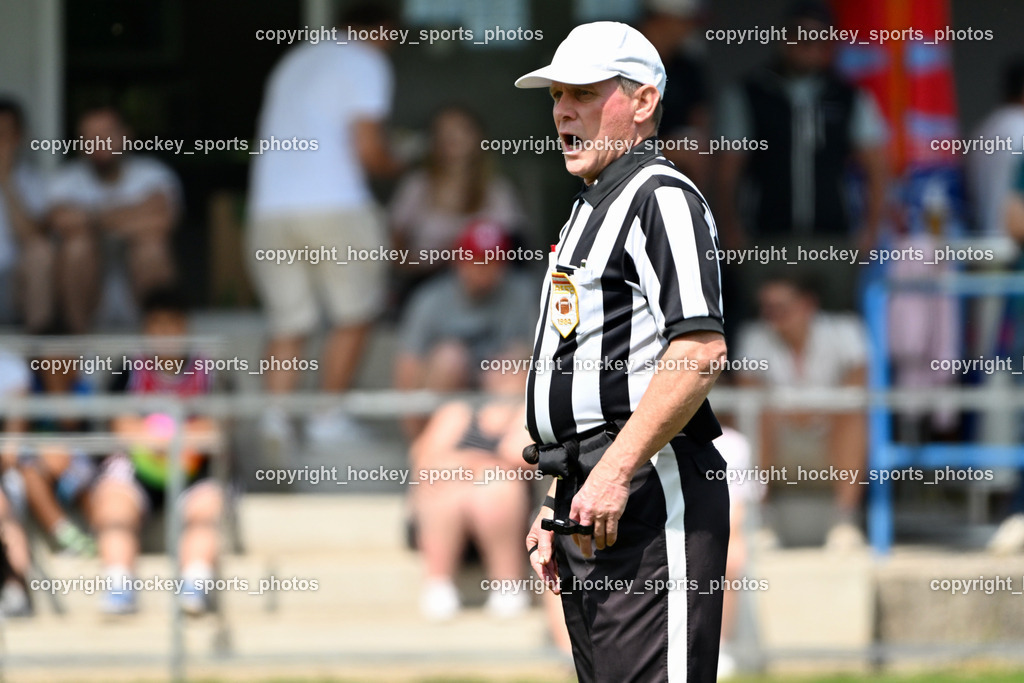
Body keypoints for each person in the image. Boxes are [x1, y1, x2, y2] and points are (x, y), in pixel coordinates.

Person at [515, 22, 730, 681]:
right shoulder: (588, 206)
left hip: (647, 491)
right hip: (593, 498)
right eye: (556, 95)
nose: (562, 110)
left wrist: (611, 471)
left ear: (642, 101)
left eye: (583, 92)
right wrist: (562, 497)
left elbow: (698, 349)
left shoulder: (660, 196)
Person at [247, 3, 405, 446]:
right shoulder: (365, 60)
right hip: (335, 204)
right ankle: (327, 418)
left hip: (270, 209)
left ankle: (274, 421)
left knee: (288, 322)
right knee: (355, 313)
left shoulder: (296, 59)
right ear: (382, 28)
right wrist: (405, 162)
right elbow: (369, 151)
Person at [715, 0, 887, 317]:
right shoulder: (750, 93)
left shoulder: (850, 97)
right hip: (767, 239)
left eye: (818, 38)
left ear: (830, 45)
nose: (808, 46)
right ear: (783, 39)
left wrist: (870, 230)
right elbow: (728, 171)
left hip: (833, 239)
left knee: (838, 334)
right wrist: (730, 230)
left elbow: (876, 168)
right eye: (800, 36)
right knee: (765, 336)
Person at [89, 287, 223, 615]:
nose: (165, 334)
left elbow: (217, 429)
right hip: (136, 470)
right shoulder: (127, 369)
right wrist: (165, 435)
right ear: (146, 329)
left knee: (208, 507)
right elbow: (121, 426)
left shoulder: (210, 371)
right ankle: (119, 584)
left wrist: (168, 435)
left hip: (193, 470)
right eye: (156, 325)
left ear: (185, 328)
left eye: (172, 325)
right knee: (113, 503)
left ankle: (194, 585)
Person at [734, 274, 868, 550]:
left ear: (808, 305)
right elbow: (747, 395)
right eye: (767, 309)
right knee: (755, 416)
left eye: (781, 308)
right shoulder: (754, 335)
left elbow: (858, 386)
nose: (773, 317)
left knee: (853, 417)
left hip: (830, 435)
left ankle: (844, 522)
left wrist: (810, 412)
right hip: (777, 435)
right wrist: (807, 411)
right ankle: (761, 520)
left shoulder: (845, 329)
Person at [410, 363, 534, 620]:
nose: (503, 376)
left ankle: (508, 584)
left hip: (509, 510)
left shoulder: (531, 413)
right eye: (497, 367)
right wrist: (479, 465)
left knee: (497, 484)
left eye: (512, 368)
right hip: (448, 505)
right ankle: (438, 584)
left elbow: (521, 458)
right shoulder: (457, 411)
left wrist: (466, 464)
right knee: (442, 482)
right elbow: (424, 462)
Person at [393, 220, 536, 438]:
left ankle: (501, 449)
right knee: (450, 357)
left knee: (512, 362)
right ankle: (430, 445)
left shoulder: (524, 294)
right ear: (459, 261)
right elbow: (408, 367)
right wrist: (413, 438)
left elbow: (543, 357)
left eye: (492, 262)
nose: (483, 269)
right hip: (445, 396)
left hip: (498, 398)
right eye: (477, 260)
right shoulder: (430, 298)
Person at [46, 106, 180, 333]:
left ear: (126, 135)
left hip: (136, 289)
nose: (99, 143)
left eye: (107, 135)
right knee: (77, 248)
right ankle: (78, 344)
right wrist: (133, 214)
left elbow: (160, 221)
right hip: (89, 298)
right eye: (90, 137)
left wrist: (90, 218)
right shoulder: (65, 179)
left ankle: (156, 344)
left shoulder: (153, 173)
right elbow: (61, 222)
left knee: (151, 247)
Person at [389, 105, 526, 304]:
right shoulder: (416, 186)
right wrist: (433, 261)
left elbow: (516, 251)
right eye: (443, 132)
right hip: (425, 287)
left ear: (479, 137)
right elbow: (394, 250)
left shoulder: (497, 190)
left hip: (488, 292)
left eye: (462, 130)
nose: (453, 138)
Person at [637, 0, 710, 185]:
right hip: (624, 179)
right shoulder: (623, 64)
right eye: (685, 21)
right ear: (661, 18)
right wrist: (671, 148)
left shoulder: (687, 68)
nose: (689, 29)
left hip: (673, 181)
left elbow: (700, 129)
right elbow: (610, 141)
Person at [0, 97, 49, 329]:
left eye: (3, 134)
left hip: (14, 284)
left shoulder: (33, 182)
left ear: (18, 137)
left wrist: (6, 182)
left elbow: (32, 238)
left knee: (40, 253)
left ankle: (38, 357)